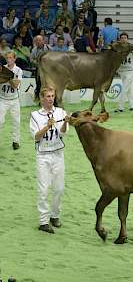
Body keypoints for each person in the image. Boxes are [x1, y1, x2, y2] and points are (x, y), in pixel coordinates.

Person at [30, 86, 70, 233]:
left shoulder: (60, 112)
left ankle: (55, 215)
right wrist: (47, 127)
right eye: (48, 96)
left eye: (52, 96)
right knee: (44, 188)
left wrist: (65, 122)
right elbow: (35, 137)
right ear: (42, 98)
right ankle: (43, 221)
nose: (51, 99)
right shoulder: (35, 115)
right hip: (43, 155)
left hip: (58, 154)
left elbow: (63, 133)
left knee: (59, 188)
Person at [0, 51, 23, 150]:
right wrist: (6, 76)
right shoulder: (2, 69)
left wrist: (7, 77)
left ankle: (15, 141)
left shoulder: (18, 70)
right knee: (0, 121)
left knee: (16, 122)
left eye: (10, 58)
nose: (8, 60)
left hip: (14, 100)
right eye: (7, 58)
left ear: (14, 59)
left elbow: (16, 85)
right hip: (2, 99)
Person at [115, 32, 133, 113]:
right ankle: (132, 105)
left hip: (130, 71)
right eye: (122, 38)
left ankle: (120, 107)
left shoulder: (132, 47)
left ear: (127, 39)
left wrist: (130, 50)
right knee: (128, 89)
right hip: (121, 71)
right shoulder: (118, 48)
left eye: (125, 37)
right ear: (120, 39)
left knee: (124, 89)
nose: (123, 39)